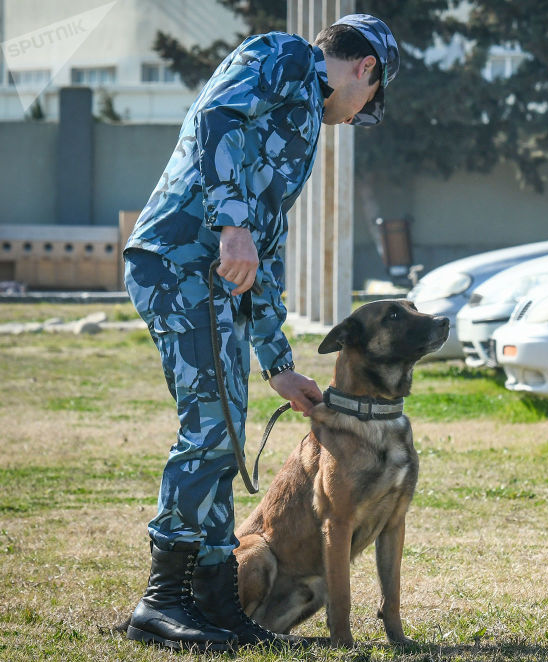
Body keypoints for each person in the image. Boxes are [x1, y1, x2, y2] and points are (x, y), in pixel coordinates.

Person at [120, 14, 399, 652]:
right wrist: (230, 221)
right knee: (210, 429)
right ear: (366, 70)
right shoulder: (283, 56)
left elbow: (265, 253)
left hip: (216, 275)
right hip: (177, 262)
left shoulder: (303, 128)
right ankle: (162, 602)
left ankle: (216, 602)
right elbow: (214, 117)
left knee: (225, 429)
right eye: (368, 104)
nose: (357, 117)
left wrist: (278, 364)